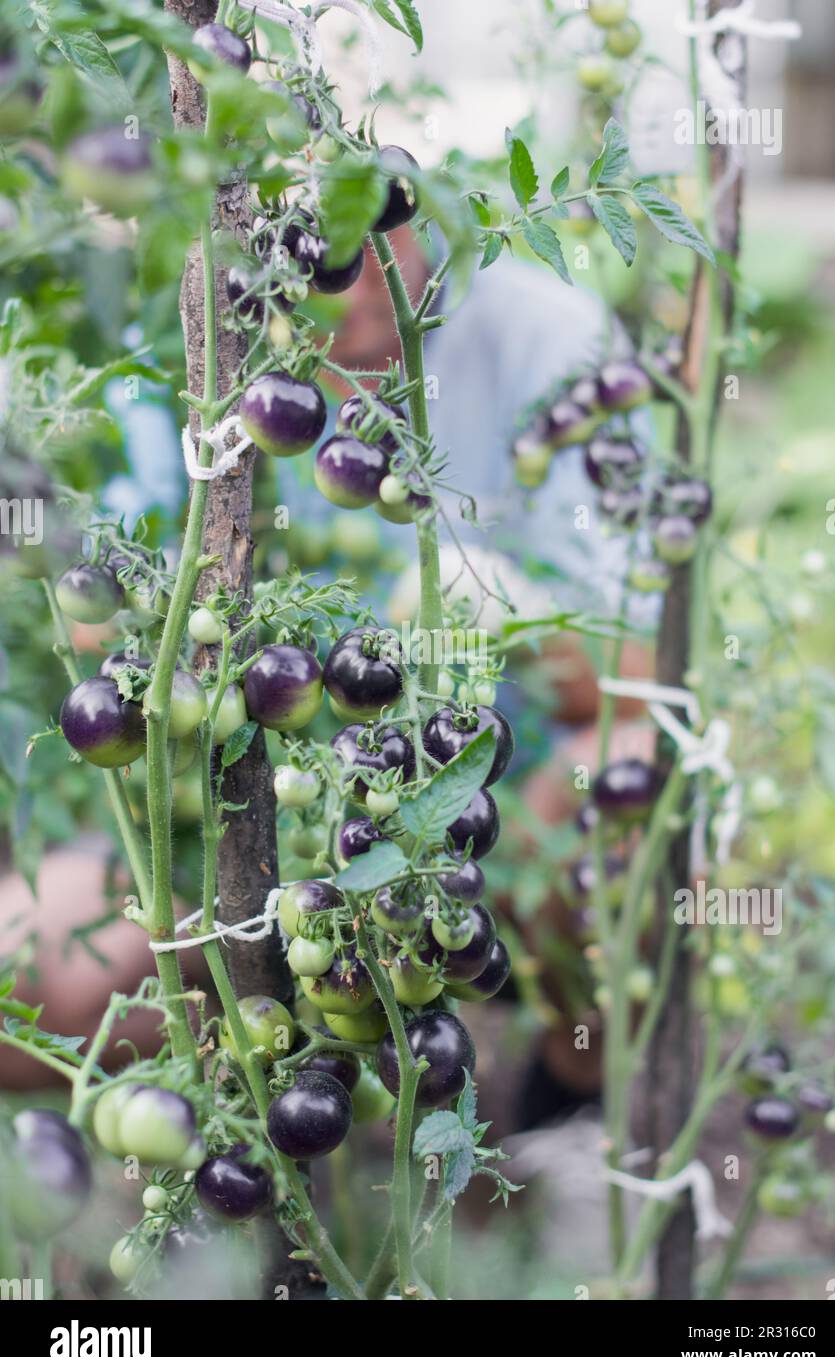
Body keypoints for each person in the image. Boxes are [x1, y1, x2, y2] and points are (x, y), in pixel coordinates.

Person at [0, 226, 652, 1090]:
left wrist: (486, 600)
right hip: (227, 839)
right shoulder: (181, 357)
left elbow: (633, 676)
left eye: (375, 217)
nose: (351, 271)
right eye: (307, 229)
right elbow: (103, 623)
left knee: (639, 795)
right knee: (22, 985)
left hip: (480, 823)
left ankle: (578, 1105)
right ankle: (238, 1114)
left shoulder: (551, 341)